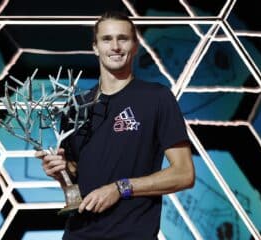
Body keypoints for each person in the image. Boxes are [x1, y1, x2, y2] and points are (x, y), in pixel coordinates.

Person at [35, 11, 195, 240]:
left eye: (123, 38)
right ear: (95, 47)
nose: (116, 46)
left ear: (135, 45)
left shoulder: (156, 98)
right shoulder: (77, 106)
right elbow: (75, 185)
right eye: (107, 39)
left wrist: (120, 188)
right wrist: (60, 174)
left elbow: (184, 174)